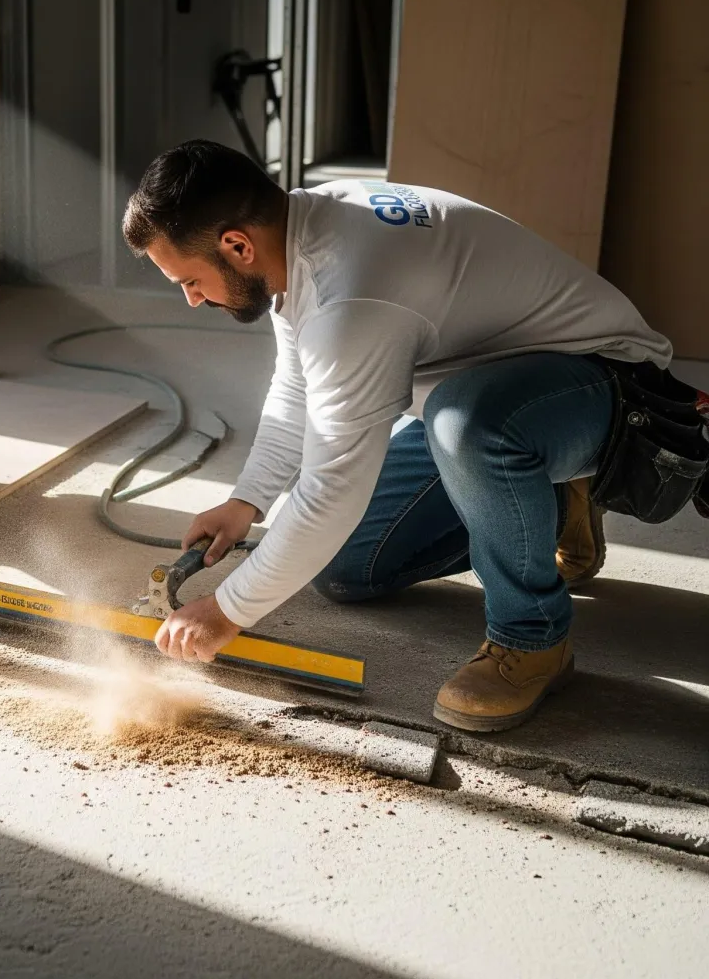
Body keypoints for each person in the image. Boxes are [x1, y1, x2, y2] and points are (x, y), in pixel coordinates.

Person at [122, 140, 672, 732]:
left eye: (190, 279)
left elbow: (333, 487)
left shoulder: (352, 294)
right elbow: (298, 386)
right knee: (345, 565)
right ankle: (552, 496)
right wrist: (247, 499)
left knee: (466, 426)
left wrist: (227, 611)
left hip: (604, 385)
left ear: (237, 245)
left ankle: (531, 637)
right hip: (492, 393)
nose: (192, 297)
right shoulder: (296, 232)